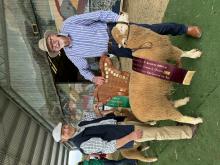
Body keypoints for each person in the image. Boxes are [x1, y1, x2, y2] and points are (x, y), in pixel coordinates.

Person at [38, 10, 202, 85]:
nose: (54, 44)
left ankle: (185, 29)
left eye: (51, 41)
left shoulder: (69, 24)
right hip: (115, 49)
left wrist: (119, 20)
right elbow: (83, 70)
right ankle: (175, 65)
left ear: (54, 35)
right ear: (56, 51)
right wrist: (93, 78)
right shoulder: (71, 54)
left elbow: (98, 16)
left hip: (117, 30)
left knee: (154, 31)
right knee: (144, 57)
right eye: (52, 47)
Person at [52, 115, 197, 155]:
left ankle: (180, 129)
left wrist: (117, 118)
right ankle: (188, 132)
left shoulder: (81, 125)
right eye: (63, 133)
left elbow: (100, 123)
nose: (66, 129)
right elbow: (108, 148)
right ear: (64, 140)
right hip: (128, 135)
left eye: (64, 127)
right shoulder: (82, 144)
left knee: (154, 128)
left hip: (123, 126)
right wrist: (131, 137)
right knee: (157, 133)